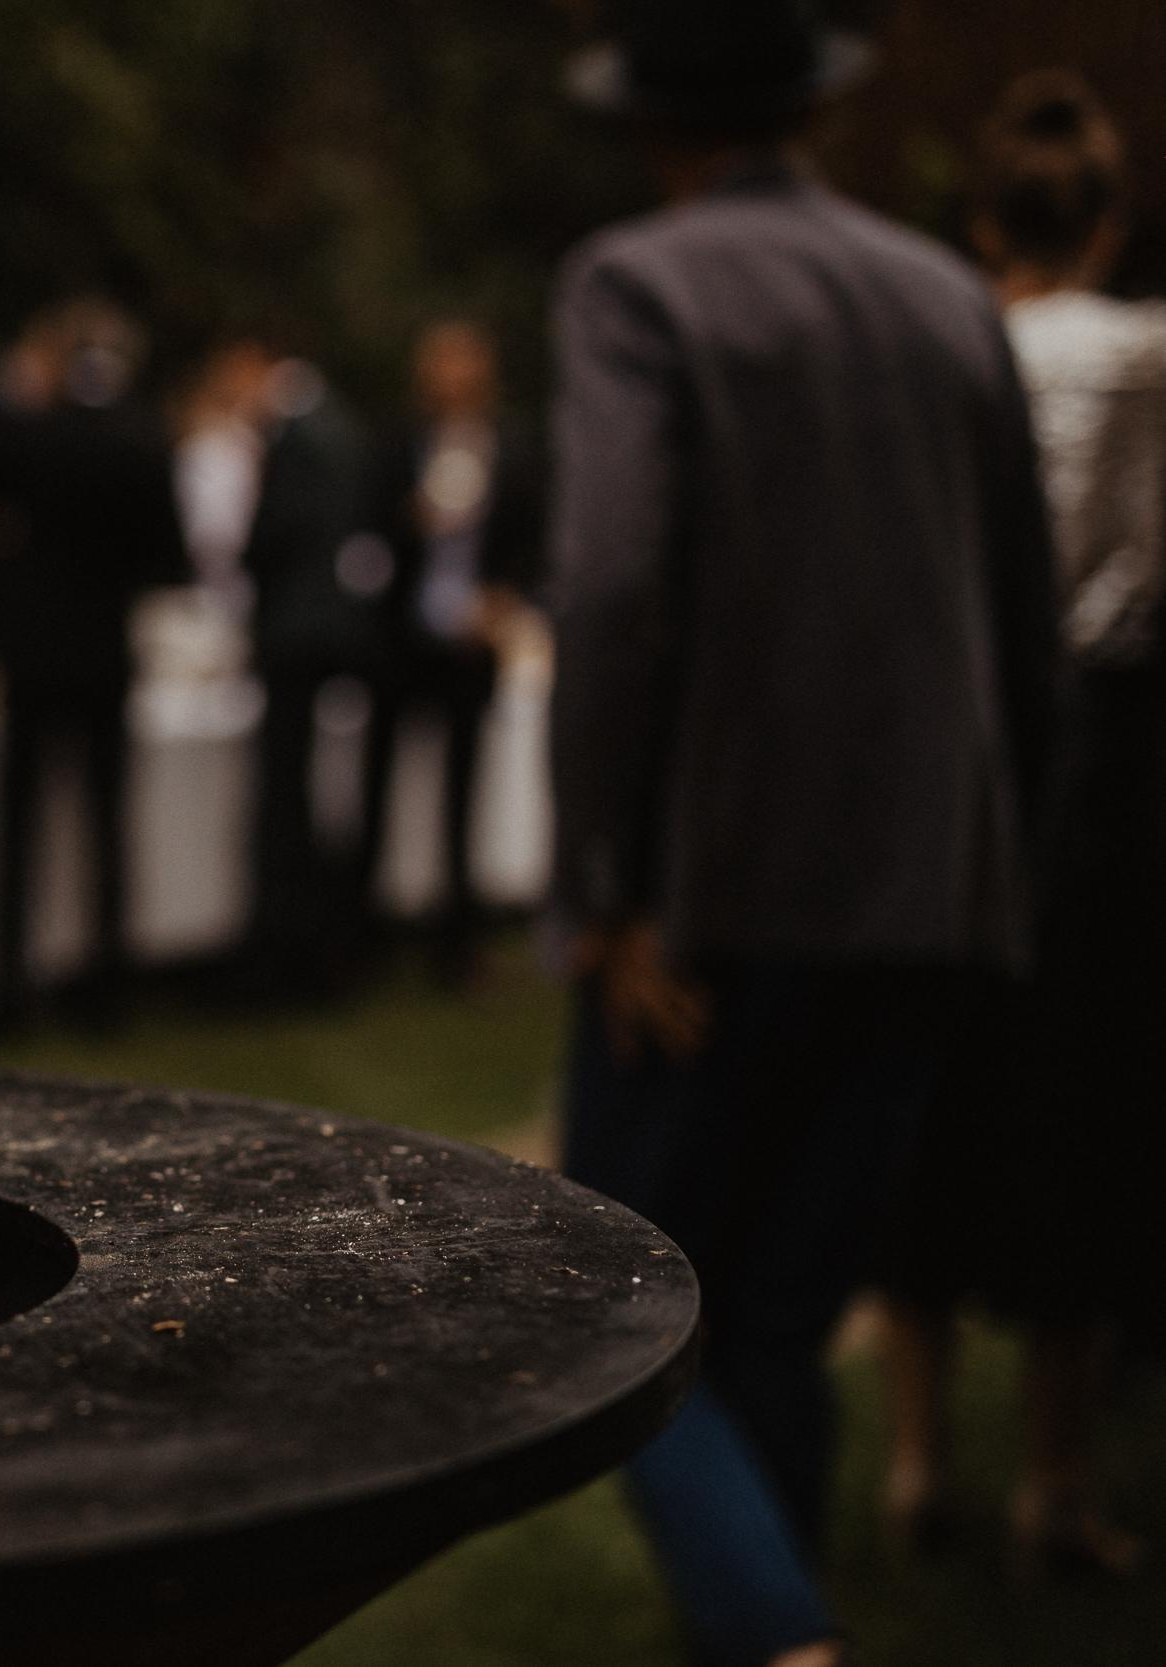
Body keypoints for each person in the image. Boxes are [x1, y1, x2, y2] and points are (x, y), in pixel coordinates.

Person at [548, 6, 1057, 1666]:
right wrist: (1001, 865)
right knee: (773, 1309)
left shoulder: (640, 285)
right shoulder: (946, 293)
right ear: (814, 116)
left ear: (653, 128)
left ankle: (780, 1640)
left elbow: (615, 595)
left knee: (615, 1307)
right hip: (929, 893)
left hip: (719, 895)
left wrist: (608, 889)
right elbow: (1024, 620)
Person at [877, 69, 1162, 1582]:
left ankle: (919, 1455)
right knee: (1089, 1101)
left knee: (934, 1085)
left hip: (953, 749)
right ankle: (1057, 1479)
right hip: (1102, 763)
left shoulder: (940, 343)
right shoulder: (1151, 356)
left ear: (987, 221)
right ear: (1110, 217)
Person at [0, 299, 186, 1030]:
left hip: (29, 651)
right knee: (104, 822)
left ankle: (5, 985)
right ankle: (106, 986)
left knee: (17, 823)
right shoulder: (145, 440)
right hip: (104, 651)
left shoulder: (24, 433)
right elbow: (168, 555)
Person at [173, 337, 375, 991]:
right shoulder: (336, 425)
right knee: (302, 786)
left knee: (283, 793)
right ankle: (312, 940)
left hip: (292, 632)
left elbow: (272, 536)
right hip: (326, 630)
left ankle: (283, 946)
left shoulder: (296, 436)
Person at [358, 319, 544, 983]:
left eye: (464, 363)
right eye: (441, 362)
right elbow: (363, 532)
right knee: (375, 785)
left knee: (463, 792)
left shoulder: (512, 446)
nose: (452, 375)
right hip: (400, 639)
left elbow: (532, 539)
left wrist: (502, 599)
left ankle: (456, 942)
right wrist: (411, 521)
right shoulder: (395, 440)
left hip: (471, 640)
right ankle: (362, 937)